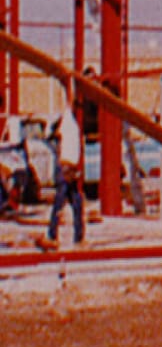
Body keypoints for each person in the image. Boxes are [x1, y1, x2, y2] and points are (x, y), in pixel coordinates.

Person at [36, 96, 85, 250]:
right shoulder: (68, 122)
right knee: (61, 202)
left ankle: (77, 236)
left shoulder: (73, 124)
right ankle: (53, 234)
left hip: (70, 168)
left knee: (76, 203)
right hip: (65, 167)